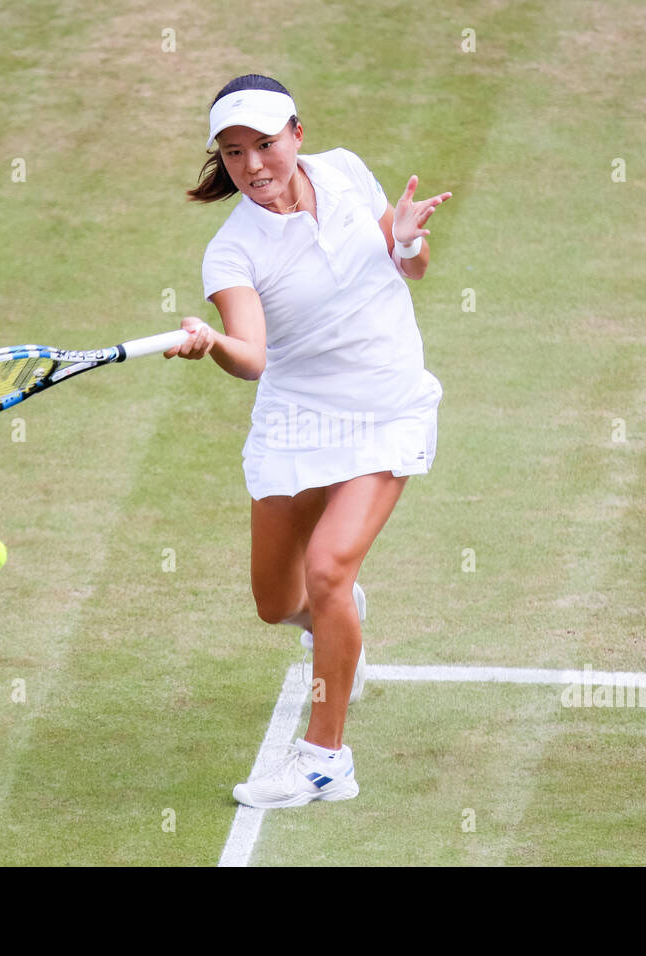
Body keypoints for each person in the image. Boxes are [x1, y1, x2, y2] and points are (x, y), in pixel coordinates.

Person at [170, 74, 451, 807]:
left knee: (325, 571)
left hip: (385, 405)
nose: (252, 166)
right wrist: (215, 343)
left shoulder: (347, 171)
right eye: (233, 154)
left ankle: (325, 759)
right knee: (278, 600)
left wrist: (410, 239)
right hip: (296, 424)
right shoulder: (231, 253)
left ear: (296, 132)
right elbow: (254, 358)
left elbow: (406, 261)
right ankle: (338, 619)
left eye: (264, 144)